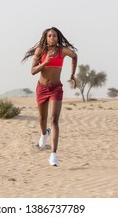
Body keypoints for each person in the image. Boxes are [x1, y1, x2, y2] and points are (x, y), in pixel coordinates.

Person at [22, 27, 78, 166]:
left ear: (58, 37)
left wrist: (72, 74)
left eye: (54, 36)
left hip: (56, 89)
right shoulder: (40, 51)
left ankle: (53, 155)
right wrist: (45, 63)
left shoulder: (62, 50)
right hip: (41, 89)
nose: (52, 38)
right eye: (49, 36)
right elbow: (33, 71)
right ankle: (43, 134)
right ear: (46, 38)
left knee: (54, 120)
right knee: (42, 118)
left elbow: (74, 56)